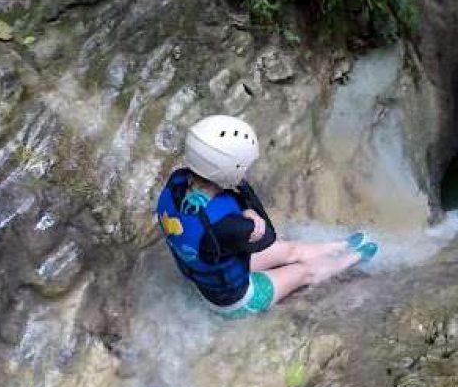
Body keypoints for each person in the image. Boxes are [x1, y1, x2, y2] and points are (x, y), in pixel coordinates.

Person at [156, 115, 378, 318]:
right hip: (234, 301)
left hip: (209, 268)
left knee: (291, 250)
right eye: (243, 167)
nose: (247, 171)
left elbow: (212, 221)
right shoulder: (229, 225)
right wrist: (247, 200)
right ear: (229, 169)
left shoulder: (177, 182)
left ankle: (340, 245)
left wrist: (241, 205)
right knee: (304, 272)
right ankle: (354, 257)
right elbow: (268, 237)